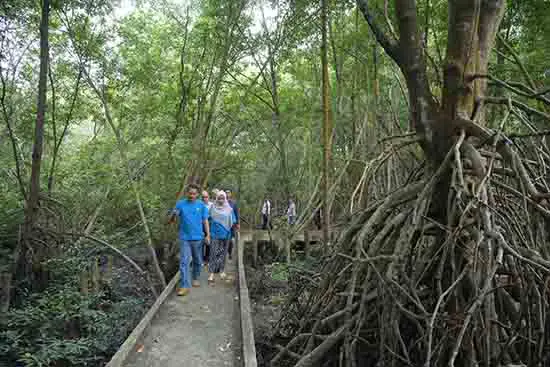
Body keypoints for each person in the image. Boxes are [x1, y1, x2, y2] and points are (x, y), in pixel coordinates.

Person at [169, 184, 210, 296]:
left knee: (197, 260)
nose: (191, 195)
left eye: (194, 193)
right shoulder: (180, 204)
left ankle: (195, 277)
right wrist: (173, 215)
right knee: (184, 262)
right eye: (190, 193)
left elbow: (205, 221)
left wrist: (208, 235)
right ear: (187, 193)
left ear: (197, 194)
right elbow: (171, 221)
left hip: (198, 238)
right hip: (184, 238)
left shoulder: (201, 205)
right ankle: (184, 286)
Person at [208, 191, 236, 284]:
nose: (221, 200)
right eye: (219, 198)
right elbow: (207, 218)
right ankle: (211, 272)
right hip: (214, 233)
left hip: (226, 234)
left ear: (225, 199)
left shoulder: (229, 209)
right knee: (213, 252)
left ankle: (221, 270)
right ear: (216, 198)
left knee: (223, 253)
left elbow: (233, 221)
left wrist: (232, 234)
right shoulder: (212, 207)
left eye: (222, 198)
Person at [225, 189, 239, 260]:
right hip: (224, 224)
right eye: (226, 193)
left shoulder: (233, 203)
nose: (227, 194)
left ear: (231, 194)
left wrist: (237, 223)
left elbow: (236, 213)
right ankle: (224, 253)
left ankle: (230, 253)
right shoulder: (222, 202)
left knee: (231, 240)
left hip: (232, 224)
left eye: (228, 193)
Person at [201, 190, 214, 267]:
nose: (204, 198)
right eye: (203, 197)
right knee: (201, 243)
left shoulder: (211, 205)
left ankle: (207, 259)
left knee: (209, 243)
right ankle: (201, 259)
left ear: (208, 197)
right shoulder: (199, 204)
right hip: (200, 225)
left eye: (206, 197)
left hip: (210, 225)